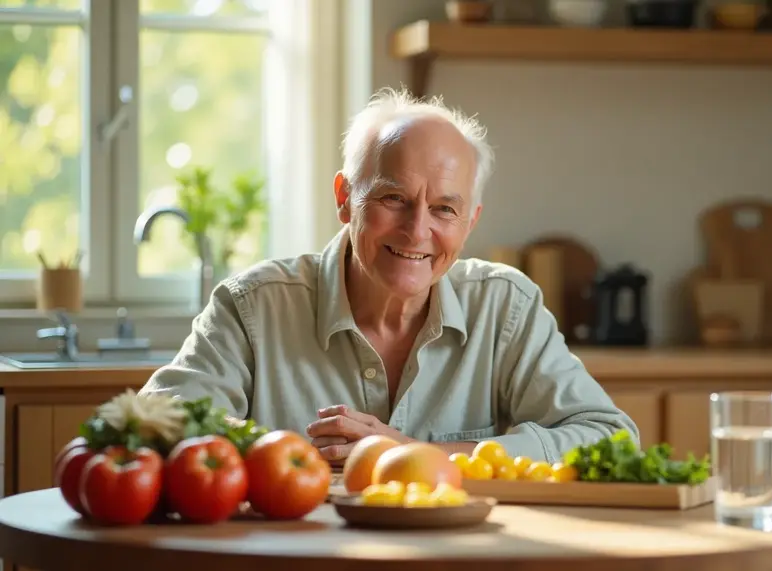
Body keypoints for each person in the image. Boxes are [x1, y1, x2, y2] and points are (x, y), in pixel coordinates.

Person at [138, 88, 639, 464]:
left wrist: (414, 455)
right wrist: (286, 451)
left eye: (444, 209)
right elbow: (158, 423)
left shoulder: (505, 306)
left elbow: (608, 437)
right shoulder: (252, 306)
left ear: (470, 224)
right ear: (344, 198)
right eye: (393, 198)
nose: (417, 229)